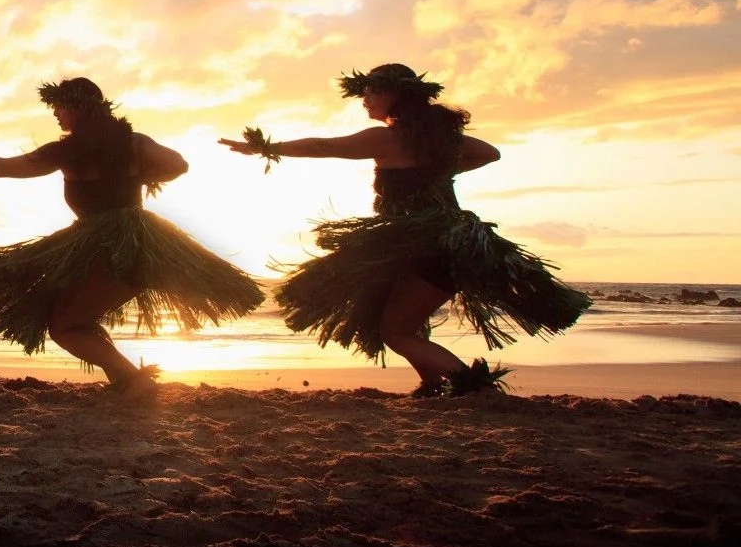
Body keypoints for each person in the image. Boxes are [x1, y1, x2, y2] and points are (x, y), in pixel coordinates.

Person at [219, 63, 590, 396]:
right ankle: (431, 385)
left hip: (432, 248)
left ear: (397, 95)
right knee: (397, 321)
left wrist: (266, 148)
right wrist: (443, 171)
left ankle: (476, 389)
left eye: (371, 92)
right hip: (443, 242)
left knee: (395, 332)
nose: (365, 100)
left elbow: (323, 146)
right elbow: (488, 153)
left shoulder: (387, 138)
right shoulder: (442, 139)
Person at [0, 77, 265, 396]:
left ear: (80, 108)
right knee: (70, 319)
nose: (56, 115)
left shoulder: (67, 152)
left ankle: (132, 381)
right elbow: (178, 164)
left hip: (110, 248)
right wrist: (139, 176)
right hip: (139, 242)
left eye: (60, 107)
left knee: (66, 326)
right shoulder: (133, 142)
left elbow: (5, 168)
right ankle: (127, 381)